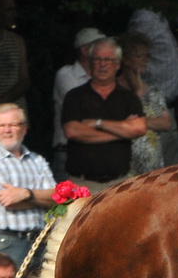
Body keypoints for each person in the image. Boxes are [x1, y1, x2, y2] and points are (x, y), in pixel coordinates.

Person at [59, 37, 146, 193]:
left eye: (108, 60)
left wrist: (98, 123)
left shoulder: (128, 97)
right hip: (82, 184)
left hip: (120, 183)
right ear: (90, 63)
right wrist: (122, 132)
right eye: (98, 59)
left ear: (118, 64)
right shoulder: (75, 96)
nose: (102, 64)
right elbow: (72, 131)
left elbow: (139, 129)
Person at [0, 103, 55, 262]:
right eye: (1, 125)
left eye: (12, 125)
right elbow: (8, 201)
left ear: (24, 128)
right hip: (4, 243)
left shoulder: (37, 160)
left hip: (39, 242)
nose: (7, 130)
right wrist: (41, 199)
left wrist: (25, 194)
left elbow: (56, 198)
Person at [126, 0, 178, 167]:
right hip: (147, 103)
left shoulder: (159, 16)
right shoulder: (144, 17)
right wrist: (138, 85)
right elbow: (135, 51)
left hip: (162, 102)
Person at [120, 31, 177, 176]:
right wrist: (138, 93)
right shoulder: (113, 89)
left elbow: (166, 123)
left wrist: (138, 122)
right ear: (125, 59)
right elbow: (119, 122)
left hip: (152, 170)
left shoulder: (153, 91)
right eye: (140, 55)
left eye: (147, 55)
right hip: (123, 169)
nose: (145, 59)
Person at [51, 27, 101, 170]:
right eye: (99, 46)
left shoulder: (104, 78)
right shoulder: (66, 75)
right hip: (70, 153)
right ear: (85, 50)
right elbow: (83, 109)